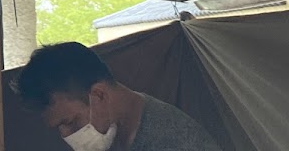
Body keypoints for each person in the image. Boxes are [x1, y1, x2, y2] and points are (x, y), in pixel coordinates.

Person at [14, 42, 222, 151]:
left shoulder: (173, 143)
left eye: (70, 122)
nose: (67, 136)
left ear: (99, 95)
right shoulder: (115, 133)